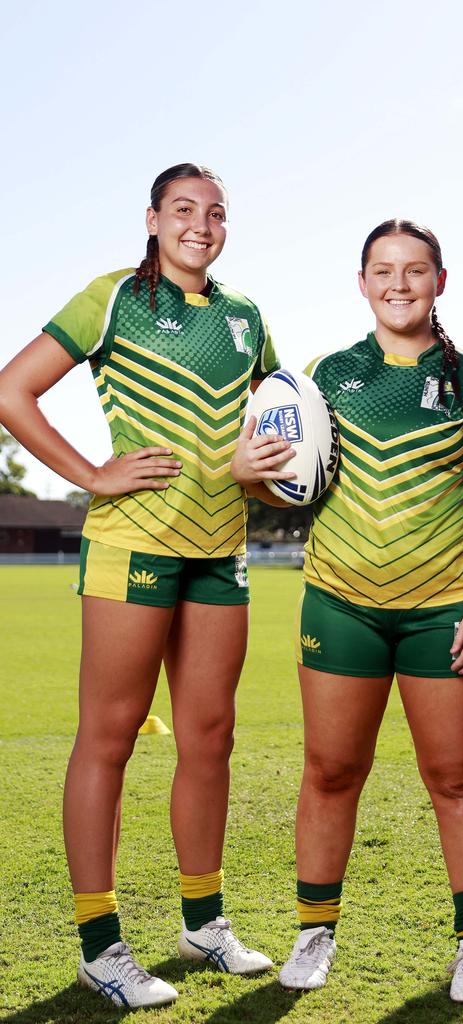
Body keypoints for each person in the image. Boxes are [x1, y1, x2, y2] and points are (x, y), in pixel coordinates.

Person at [0, 163, 284, 1009]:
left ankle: (204, 922)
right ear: (154, 218)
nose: (201, 224)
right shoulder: (114, 296)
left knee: (209, 737)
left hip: (220, 553)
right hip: (132, 549)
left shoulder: (246, 319)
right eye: (184, 209)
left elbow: (274, 442)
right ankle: (100, 945)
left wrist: (263, 475)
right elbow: (13, 392)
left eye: (216, 212)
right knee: (110, 739)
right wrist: (92, 472)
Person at [232, 219, 463, 1003]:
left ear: (440, 281)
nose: (399, 283)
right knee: (330, 771)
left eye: (415, 270)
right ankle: (314, 933)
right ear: (361, 282)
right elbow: (280, 486)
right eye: (383, 270)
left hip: (444, 610)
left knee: (458, 776)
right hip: (341, 605)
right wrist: (245, 471)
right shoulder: (320, 374)